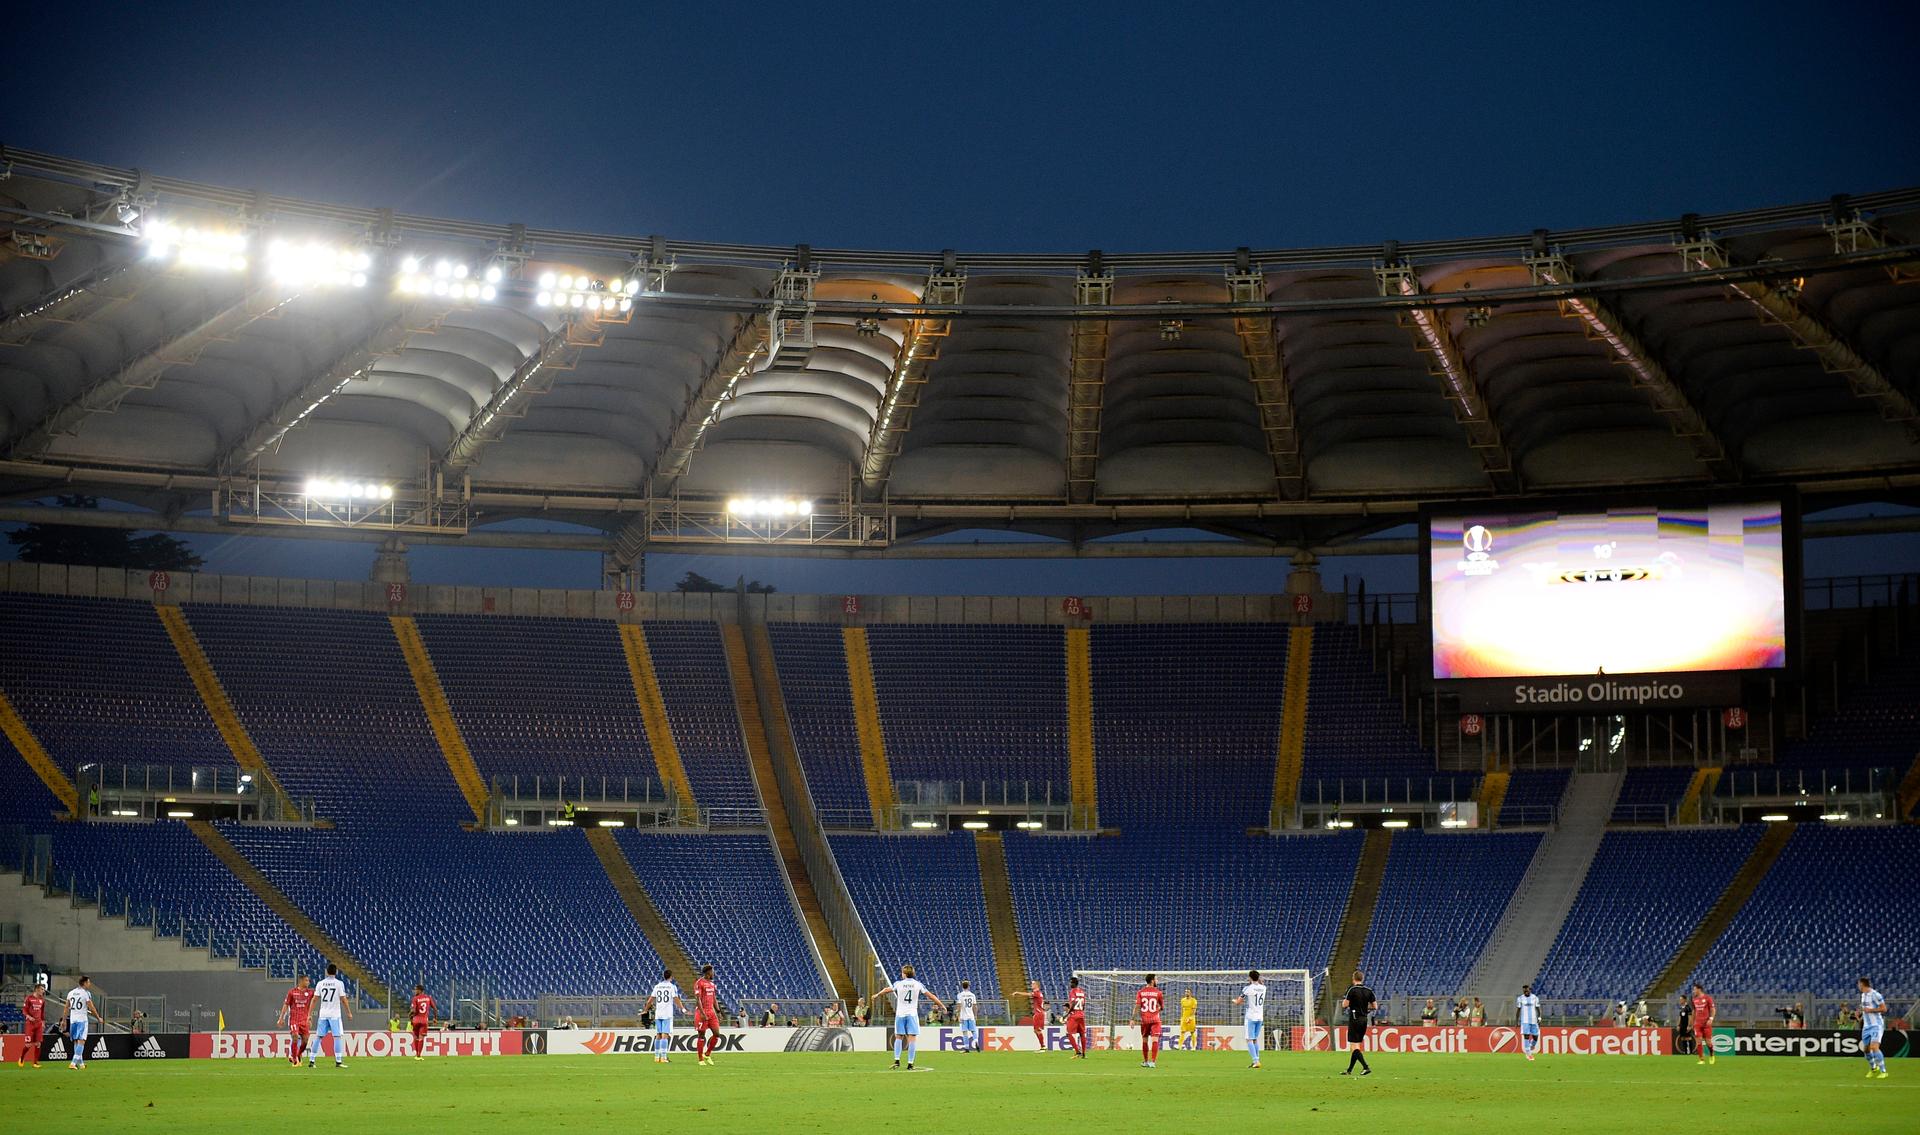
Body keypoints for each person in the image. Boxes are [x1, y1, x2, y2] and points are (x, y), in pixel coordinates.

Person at [877, 964, 945, 1070]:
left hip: (900, 1014)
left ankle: (897, 1060)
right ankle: (910, 1063)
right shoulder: (918, 984)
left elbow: (886, 990)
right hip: (912, 1014)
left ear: (904, 974)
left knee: (899, 1037)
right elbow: (931, 996)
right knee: (912, 1039)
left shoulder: (898, 984)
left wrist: (877, 995)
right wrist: (941, 1005)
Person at [310, 963, 352, 1068]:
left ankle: (312, 1061)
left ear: (327, 972)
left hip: (323, 1014)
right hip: (334, 1015)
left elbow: (314, 999)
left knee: (319, 1037)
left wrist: (309, 1014)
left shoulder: (320, 983)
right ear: (336, 972)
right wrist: (348, 1012)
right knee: (337, 1037)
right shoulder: (339, 984)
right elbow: (343, 999)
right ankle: (338, 1061)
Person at [645, 969, 689, 1065]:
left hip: (658, 1014)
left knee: (658, 1034)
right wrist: (683, 1009)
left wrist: (645, 1010)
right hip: (667, 1013)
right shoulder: (672, 987)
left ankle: (656, 1057)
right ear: (671, 977)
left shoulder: (657, 986)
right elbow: (676, 999)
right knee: (665, 1034)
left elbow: (650, 1000)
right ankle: (664, 1057)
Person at [1340, 969, 1375, 1077]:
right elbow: (1375, 1006)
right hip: (1364, 1019)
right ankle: (1349, 1070)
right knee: (1356, 1046)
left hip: (1355, 1019)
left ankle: (1366, 1067)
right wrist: (1364, 1007)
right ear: (1362, 978)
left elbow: (1344, 1005)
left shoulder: (1352, 989)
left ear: (1353, 978)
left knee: (1354, 1046)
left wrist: (1347, 1002)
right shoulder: (1369, 990)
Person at [65, 975, 104, 1070]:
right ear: (85, 983)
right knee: (81, 1041)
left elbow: (66, 1007)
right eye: (89, 982)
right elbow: (91, 1007)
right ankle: (73, 1063)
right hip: (82, 1020)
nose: (90, 984)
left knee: (76, 1041)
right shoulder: (85, 993)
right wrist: (98, 1017)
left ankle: (81, 1064)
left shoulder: (71, 993)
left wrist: (63, 1019)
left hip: (73, 1020)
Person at [277, 974, 315, 1066]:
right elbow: (286, 1005)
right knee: (295, 1036)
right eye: (306, 980)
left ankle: (298, 1054)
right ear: (301, 981)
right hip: (294, 1019)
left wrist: (309, 1017)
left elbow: (314, 1000)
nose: (308, 982)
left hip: (304, 1020)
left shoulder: (310, 992)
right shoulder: (292, 992)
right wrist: (281, 1018)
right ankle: (294, 1059)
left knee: (305, 1040)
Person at [1233, 970, 1267, 1069]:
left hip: (1251, 1016)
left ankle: (1256, 1061)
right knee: (1255, 1039)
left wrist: (1234, 1001)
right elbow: (1260, 985)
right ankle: (1257, 1060)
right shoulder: (1264, 988)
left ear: (1250, 978)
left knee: (1249, 1039)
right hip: (1260, 1016)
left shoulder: (1247, 988)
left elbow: (1239, 1002)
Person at [1858, 977, 1890, 1079]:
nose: (1858, 986)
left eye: (1859, 984)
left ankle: (1884, 1071)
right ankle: (1873, 1068)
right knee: (1866, 1049)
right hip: (1866, 1026)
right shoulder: (1863, 995)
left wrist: (1870, 1010)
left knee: (1874, 1047)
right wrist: (1860, 1013)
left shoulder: (1875, 994)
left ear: (1862, 984)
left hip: (1876, 1025)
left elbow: (1884, 1009)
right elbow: (1865, 1010)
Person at [693, 964, 723, 1066]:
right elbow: (698, 999)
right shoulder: (699, 983)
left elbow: (714, 999)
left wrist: (718, 1012)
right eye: (712, 971)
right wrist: (702, 1013)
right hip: (702, 1012)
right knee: (701, 1035)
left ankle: (707, 1053)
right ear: (708, 972)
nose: (713, 973)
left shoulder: (712, 984)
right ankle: (700, 1059)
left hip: (711, 1012)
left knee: (717, 1034)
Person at [1136, 974, 1166, 1069]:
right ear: (1152, 981)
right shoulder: (1158, 993)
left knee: (1145, 1040)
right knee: (1155, 1040)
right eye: (1156, 979)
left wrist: (1132, 1018)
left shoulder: (1140, 992)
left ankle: (1145, 1061)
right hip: (1155, 1020)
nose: (1157, 981)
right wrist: (1156, 1009)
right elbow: (1162, 1007)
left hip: (1144, 1020)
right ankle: (1152, 1062)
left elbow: (1137, 1006)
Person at [18, 978, 47, 1068]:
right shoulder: (29, 998)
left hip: (38, 1024)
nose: (43, 991)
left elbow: (42, 1012)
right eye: (42, 989)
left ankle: (35, 1062)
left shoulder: (42, 1000)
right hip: (30, 1024)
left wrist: (43, 1022)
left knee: (38, 1043)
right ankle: (21, 1058)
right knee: (28, 1044)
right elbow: (24, 1010)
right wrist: (29, 1016)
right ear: (37, 989)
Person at [407, 984, 437, 1061]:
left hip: (416, 1019)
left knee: (416, 1037)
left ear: (420, 990)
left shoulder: (415, 998)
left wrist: (410, 1016)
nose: (414, 991)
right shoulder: (428, 998)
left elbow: (413, 1010)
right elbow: (435, 1009)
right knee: (421, 1038)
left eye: (416, 989)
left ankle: (417, 1054)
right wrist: (435, 1018)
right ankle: (419, 1055)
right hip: (424, 1020)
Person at [1690, 982, 1716, 1066]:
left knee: (1708, 1042)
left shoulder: (1708, 998)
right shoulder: (1694, 999)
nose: (1693, 991)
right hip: (1697, 1024)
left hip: (1706, 1024)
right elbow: (1694, 1011)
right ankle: (1701, 1059)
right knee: (1699, 1042)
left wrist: (1711, 1019)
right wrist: (1692, 1022)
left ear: (1699, 989)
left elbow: (1712, 1009)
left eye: (1694, 989)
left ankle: (1711, 1055)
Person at [1062, 976, 1088, 1059]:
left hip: (1074, 1015)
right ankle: (1084, 1054)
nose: (1069, 984)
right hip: (1081, 1015)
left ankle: (1077, 1052)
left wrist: (1067, 1014)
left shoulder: (1072, 991)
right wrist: (1081, 1012)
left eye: (1070, 982)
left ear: (1073, 983)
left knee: (1069, 1034)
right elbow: (1084, 1004)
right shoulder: (1082, 992)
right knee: (1082, 1034)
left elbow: (1072, 1003)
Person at [1516, 983, 1542, 1062]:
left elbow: (1538, 1008)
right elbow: (1518, 1010)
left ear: (1529, 990)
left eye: (1526, 991)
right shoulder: (1520, 998)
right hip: (1525, 1021)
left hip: (1534, 1020)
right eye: (1524, 991)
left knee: (1535, 1037)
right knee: (1526, 1036)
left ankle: (1531, 1046)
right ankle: (1528, 1054)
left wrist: (1540, 1017)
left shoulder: (1535, 998)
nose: (1525, 992)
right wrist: (1517, 1021)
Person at [955, 981, 980, 1053]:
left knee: (965, 1032)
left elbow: (959, 1006)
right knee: (973, 1031)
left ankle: (966, 1048)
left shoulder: (960, 995)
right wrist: (975, 1015)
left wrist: (958, 1015)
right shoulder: (972, 995)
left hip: (963, 1016)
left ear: (962, 986)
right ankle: (976, 1041)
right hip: (971, 1016)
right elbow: (975, 1006)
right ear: (969, 986)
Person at [1028, 980, 1047, 1049]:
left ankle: (1043, 1046)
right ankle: (1042, 1046)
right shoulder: (1039, 993)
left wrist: (1018, 993)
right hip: (1039, 1013)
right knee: (1036, 1030)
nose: (1031, 985)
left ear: (1037, 985)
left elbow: (1028, 994)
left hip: (1039, 1013)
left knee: (1037, 1030)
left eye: (1033, 984)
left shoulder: (1037, 993)